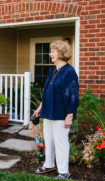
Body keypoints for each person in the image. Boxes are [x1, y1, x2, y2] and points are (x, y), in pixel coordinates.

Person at [34, 40, 79, 179]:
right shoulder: (52, 70)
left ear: (60, 53)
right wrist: (40, 107)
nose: (50, 54)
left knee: (61, 142)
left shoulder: (69, 72)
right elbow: (47, 90)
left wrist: (70, 114)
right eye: (51, 51)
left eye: (53, 51)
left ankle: (64, 171)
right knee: (49, 140)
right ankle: (49, 164)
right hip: (48, 111)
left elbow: (74, 95)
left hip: (61, 113)